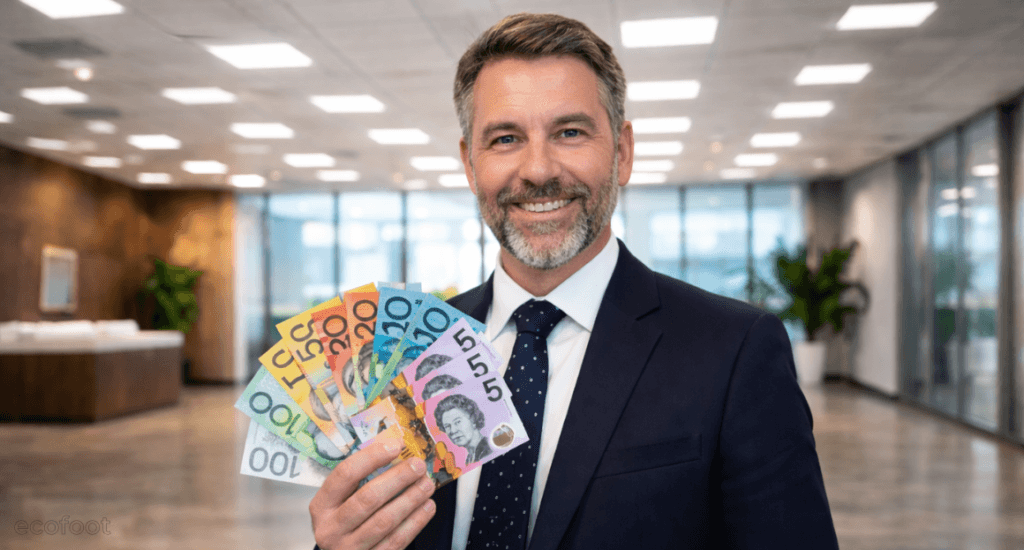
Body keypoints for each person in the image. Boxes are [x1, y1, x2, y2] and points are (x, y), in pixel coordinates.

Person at [309, 12, 839, 550]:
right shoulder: (401, 356)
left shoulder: (734, 351)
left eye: (569, 132)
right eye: (506, 138)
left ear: (622, 152)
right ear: (470, 164)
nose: (538, 170)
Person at [432, 394, 492, 464]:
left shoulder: (489, 450)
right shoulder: (470, 458)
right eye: (447, 426)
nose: (453, 431)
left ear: (473, 419)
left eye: (457, 422)